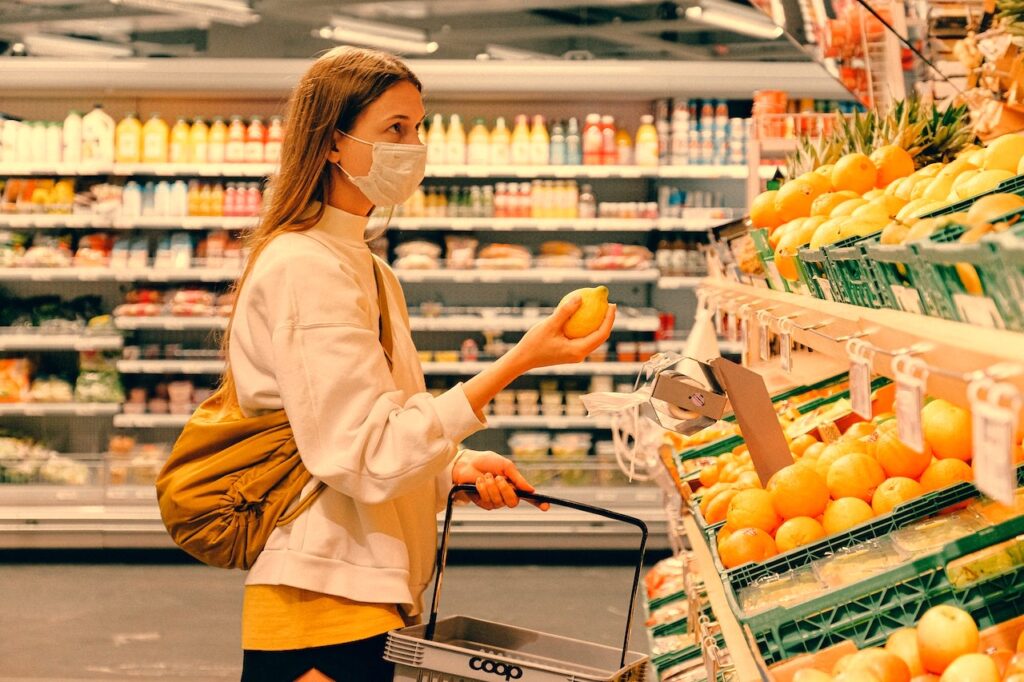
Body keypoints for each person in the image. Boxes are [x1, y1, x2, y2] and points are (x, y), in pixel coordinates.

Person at [221, 46, 616, 681]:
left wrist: (448, 468)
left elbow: (377, 429)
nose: (415, 145)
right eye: (394, 129)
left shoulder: (366, 268)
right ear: (331, 143)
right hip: (322, 600)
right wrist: (520, 360)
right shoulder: (305, 266)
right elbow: (362, 453)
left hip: (367, 592)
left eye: (419, 126)